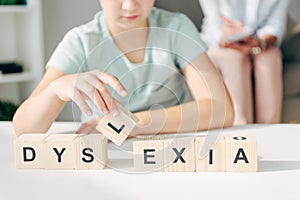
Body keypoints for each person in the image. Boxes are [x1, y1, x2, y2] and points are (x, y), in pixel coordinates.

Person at [13, 0, 234, 136]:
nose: (129, 5)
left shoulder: (176, 27)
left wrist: (132, 124)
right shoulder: (81, 41)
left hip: (170, 145)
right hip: (104, 152)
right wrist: (54, 90)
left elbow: (221, 109)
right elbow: (24, 128)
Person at [199, 0, 290, 125]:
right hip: (221, 44)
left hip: (259, 42)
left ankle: (270, 129)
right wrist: (227, 37)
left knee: (270, 57)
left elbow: (276, 24)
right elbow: (214, 25)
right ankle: (241, 127)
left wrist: (261, 42)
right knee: (234, 59)